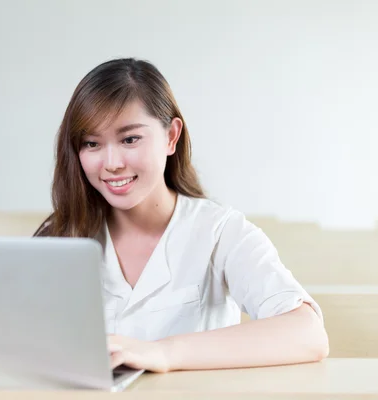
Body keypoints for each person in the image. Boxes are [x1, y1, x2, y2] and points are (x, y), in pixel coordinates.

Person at [34, 58, 329, 373]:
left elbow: (308, 334)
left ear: (171, 136)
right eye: (91, 143)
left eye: (130, 139)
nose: (112, 162)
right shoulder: (62, 235)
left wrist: (163, 353)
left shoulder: (220, 231)